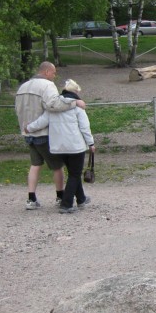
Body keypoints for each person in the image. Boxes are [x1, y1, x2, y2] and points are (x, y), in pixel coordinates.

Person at [15, 61, 86, 210]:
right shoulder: (47, 86)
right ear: (47, 72)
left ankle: (31, 198)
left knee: (35, 165)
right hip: (44, 133)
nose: (54, 76)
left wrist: (26, 127)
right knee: (58, 166)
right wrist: (75, 103)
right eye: (53, 73)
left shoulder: (23, 87)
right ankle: (60, 197)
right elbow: (54, 104)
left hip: (28, 132)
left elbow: (18, 109)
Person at [24, 79, 95, 215]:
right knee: (75, 174)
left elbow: (41, 122)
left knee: (73, 173)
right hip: (75, 147)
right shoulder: (77, 108)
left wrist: (28, 128)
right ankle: (66, 204)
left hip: (58, 147)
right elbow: (85, 128)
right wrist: (91, 143)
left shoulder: (53, 108)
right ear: (75, 92)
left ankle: (81, 199)